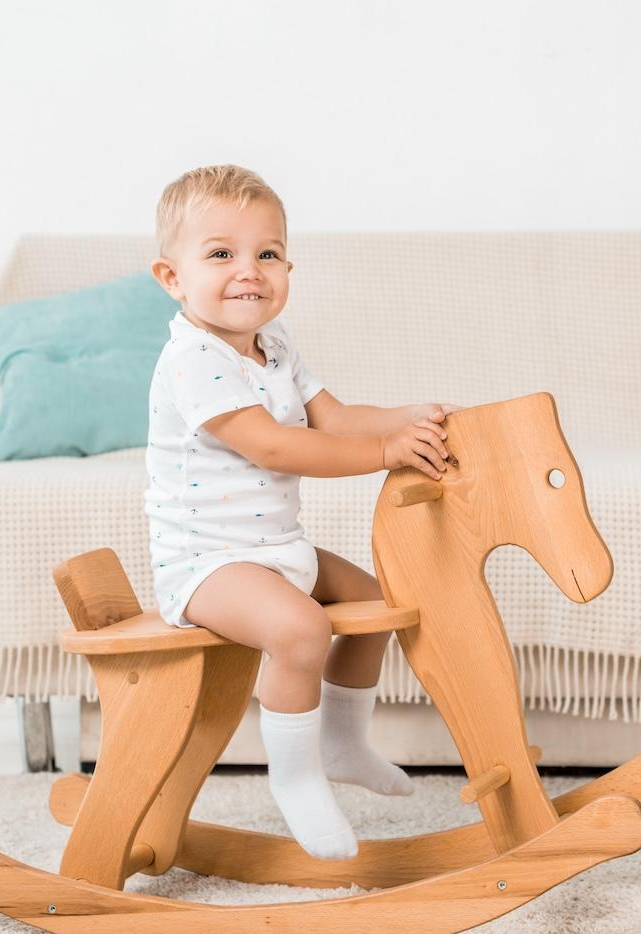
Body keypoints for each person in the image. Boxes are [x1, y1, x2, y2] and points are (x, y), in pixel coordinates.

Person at [147, 164, 459, 860]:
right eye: (221, 253)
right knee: (300, 630)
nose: (248, 271)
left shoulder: (275, 345)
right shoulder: (194, 359)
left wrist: (411, 416)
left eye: (267, 253)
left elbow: (334, 417)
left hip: (277, 549)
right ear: (173, 277)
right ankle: (295, 777)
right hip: (206, 563)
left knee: (380, 600)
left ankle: (344, 744)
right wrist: (386, 452)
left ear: (288, 266)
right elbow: (275, 445)